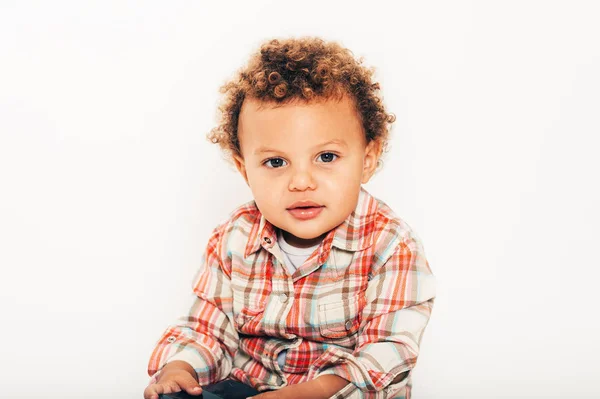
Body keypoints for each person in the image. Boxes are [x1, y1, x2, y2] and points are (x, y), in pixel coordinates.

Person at [144, 37, 436, 399]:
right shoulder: (235, 236)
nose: (301, 182)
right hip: (251, 387)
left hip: (341, 391)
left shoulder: (391, 245)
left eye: (326, 157)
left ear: (368, 158)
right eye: (276, 162)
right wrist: (180, 368)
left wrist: (304, 394)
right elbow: (208, 326)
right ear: (244, 169)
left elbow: (387, 351)